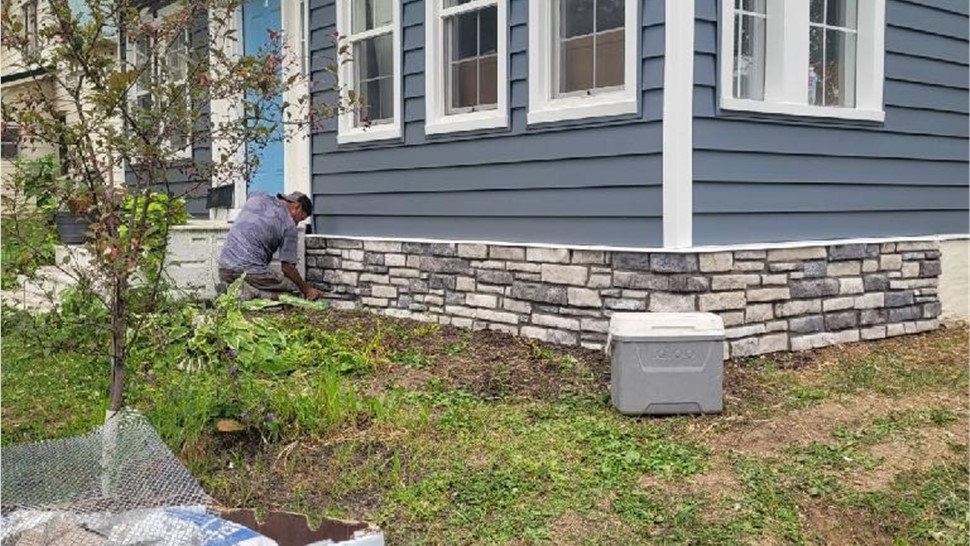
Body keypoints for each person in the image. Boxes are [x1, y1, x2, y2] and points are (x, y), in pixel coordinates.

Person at [218, 191, 323, 301]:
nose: (297, 223)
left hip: (224, 267)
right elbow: (287, 268)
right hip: (251, 271)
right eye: (300, 219)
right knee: (293, 290)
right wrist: (307, 290)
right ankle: (253, 295)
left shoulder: (257, 197)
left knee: (248, 279)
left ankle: (236, 291)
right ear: (297, 207)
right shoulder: (289, 225)